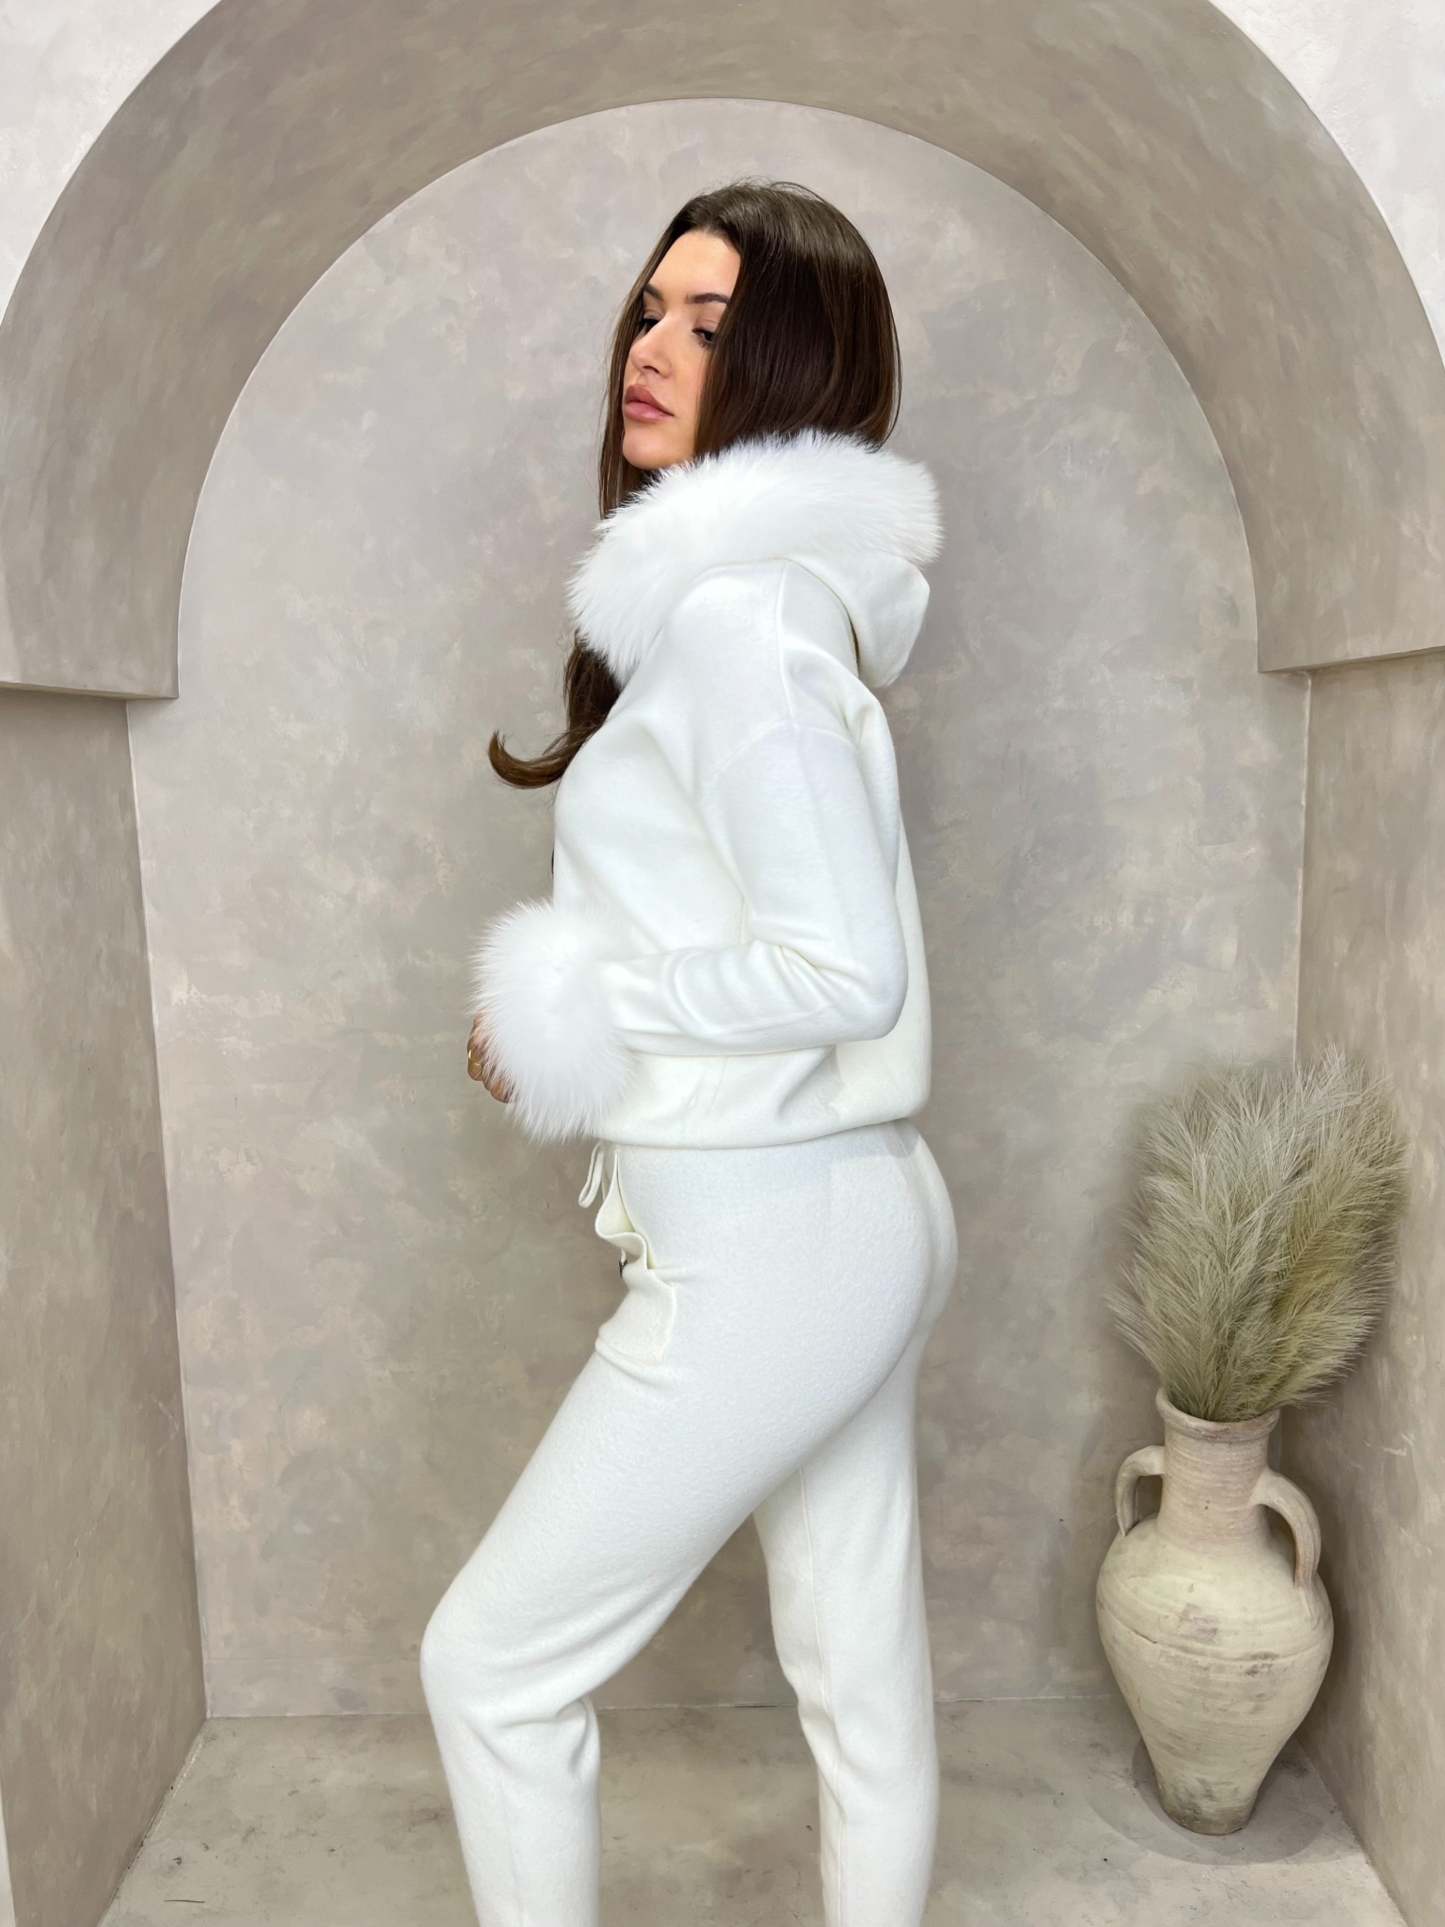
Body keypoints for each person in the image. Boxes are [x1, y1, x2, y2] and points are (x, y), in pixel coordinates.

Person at [420, 176, 960, 1927]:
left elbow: (841, 968)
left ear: (794, 368)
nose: (649, 350)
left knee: (490, 1669)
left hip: (772, 1240)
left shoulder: (740, 623)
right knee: (856, 1676)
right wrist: (584, 1003)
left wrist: (582, 999)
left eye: (709, 326)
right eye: (647, 311)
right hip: (840, 1210)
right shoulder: (751, 612)